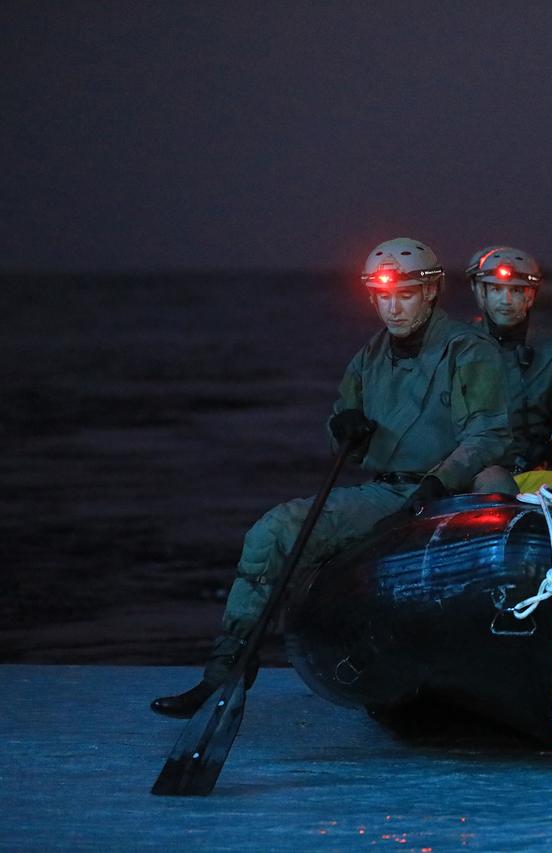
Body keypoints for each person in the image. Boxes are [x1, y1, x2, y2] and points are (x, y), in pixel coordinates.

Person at [151, 237, 512, 718]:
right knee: (275, 532)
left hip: (447, 493)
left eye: (405, 295)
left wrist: (438, 483)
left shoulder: (468, 351)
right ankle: (224, 673)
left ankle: (487, 668)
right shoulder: (370, 357)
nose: (393, 308)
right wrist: (342, 427)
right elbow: (343, 429)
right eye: (384, 297)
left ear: (431, 292)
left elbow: (488, 435)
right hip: (388, 490)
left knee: (493, 493)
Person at [465, 246, 552, 493]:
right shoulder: (458, 350)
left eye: (516, 291)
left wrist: (547, 449)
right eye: (496, 289)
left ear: (530, 297)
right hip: (475, 469)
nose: (505, 300)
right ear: (481, 294)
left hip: (538, 470)